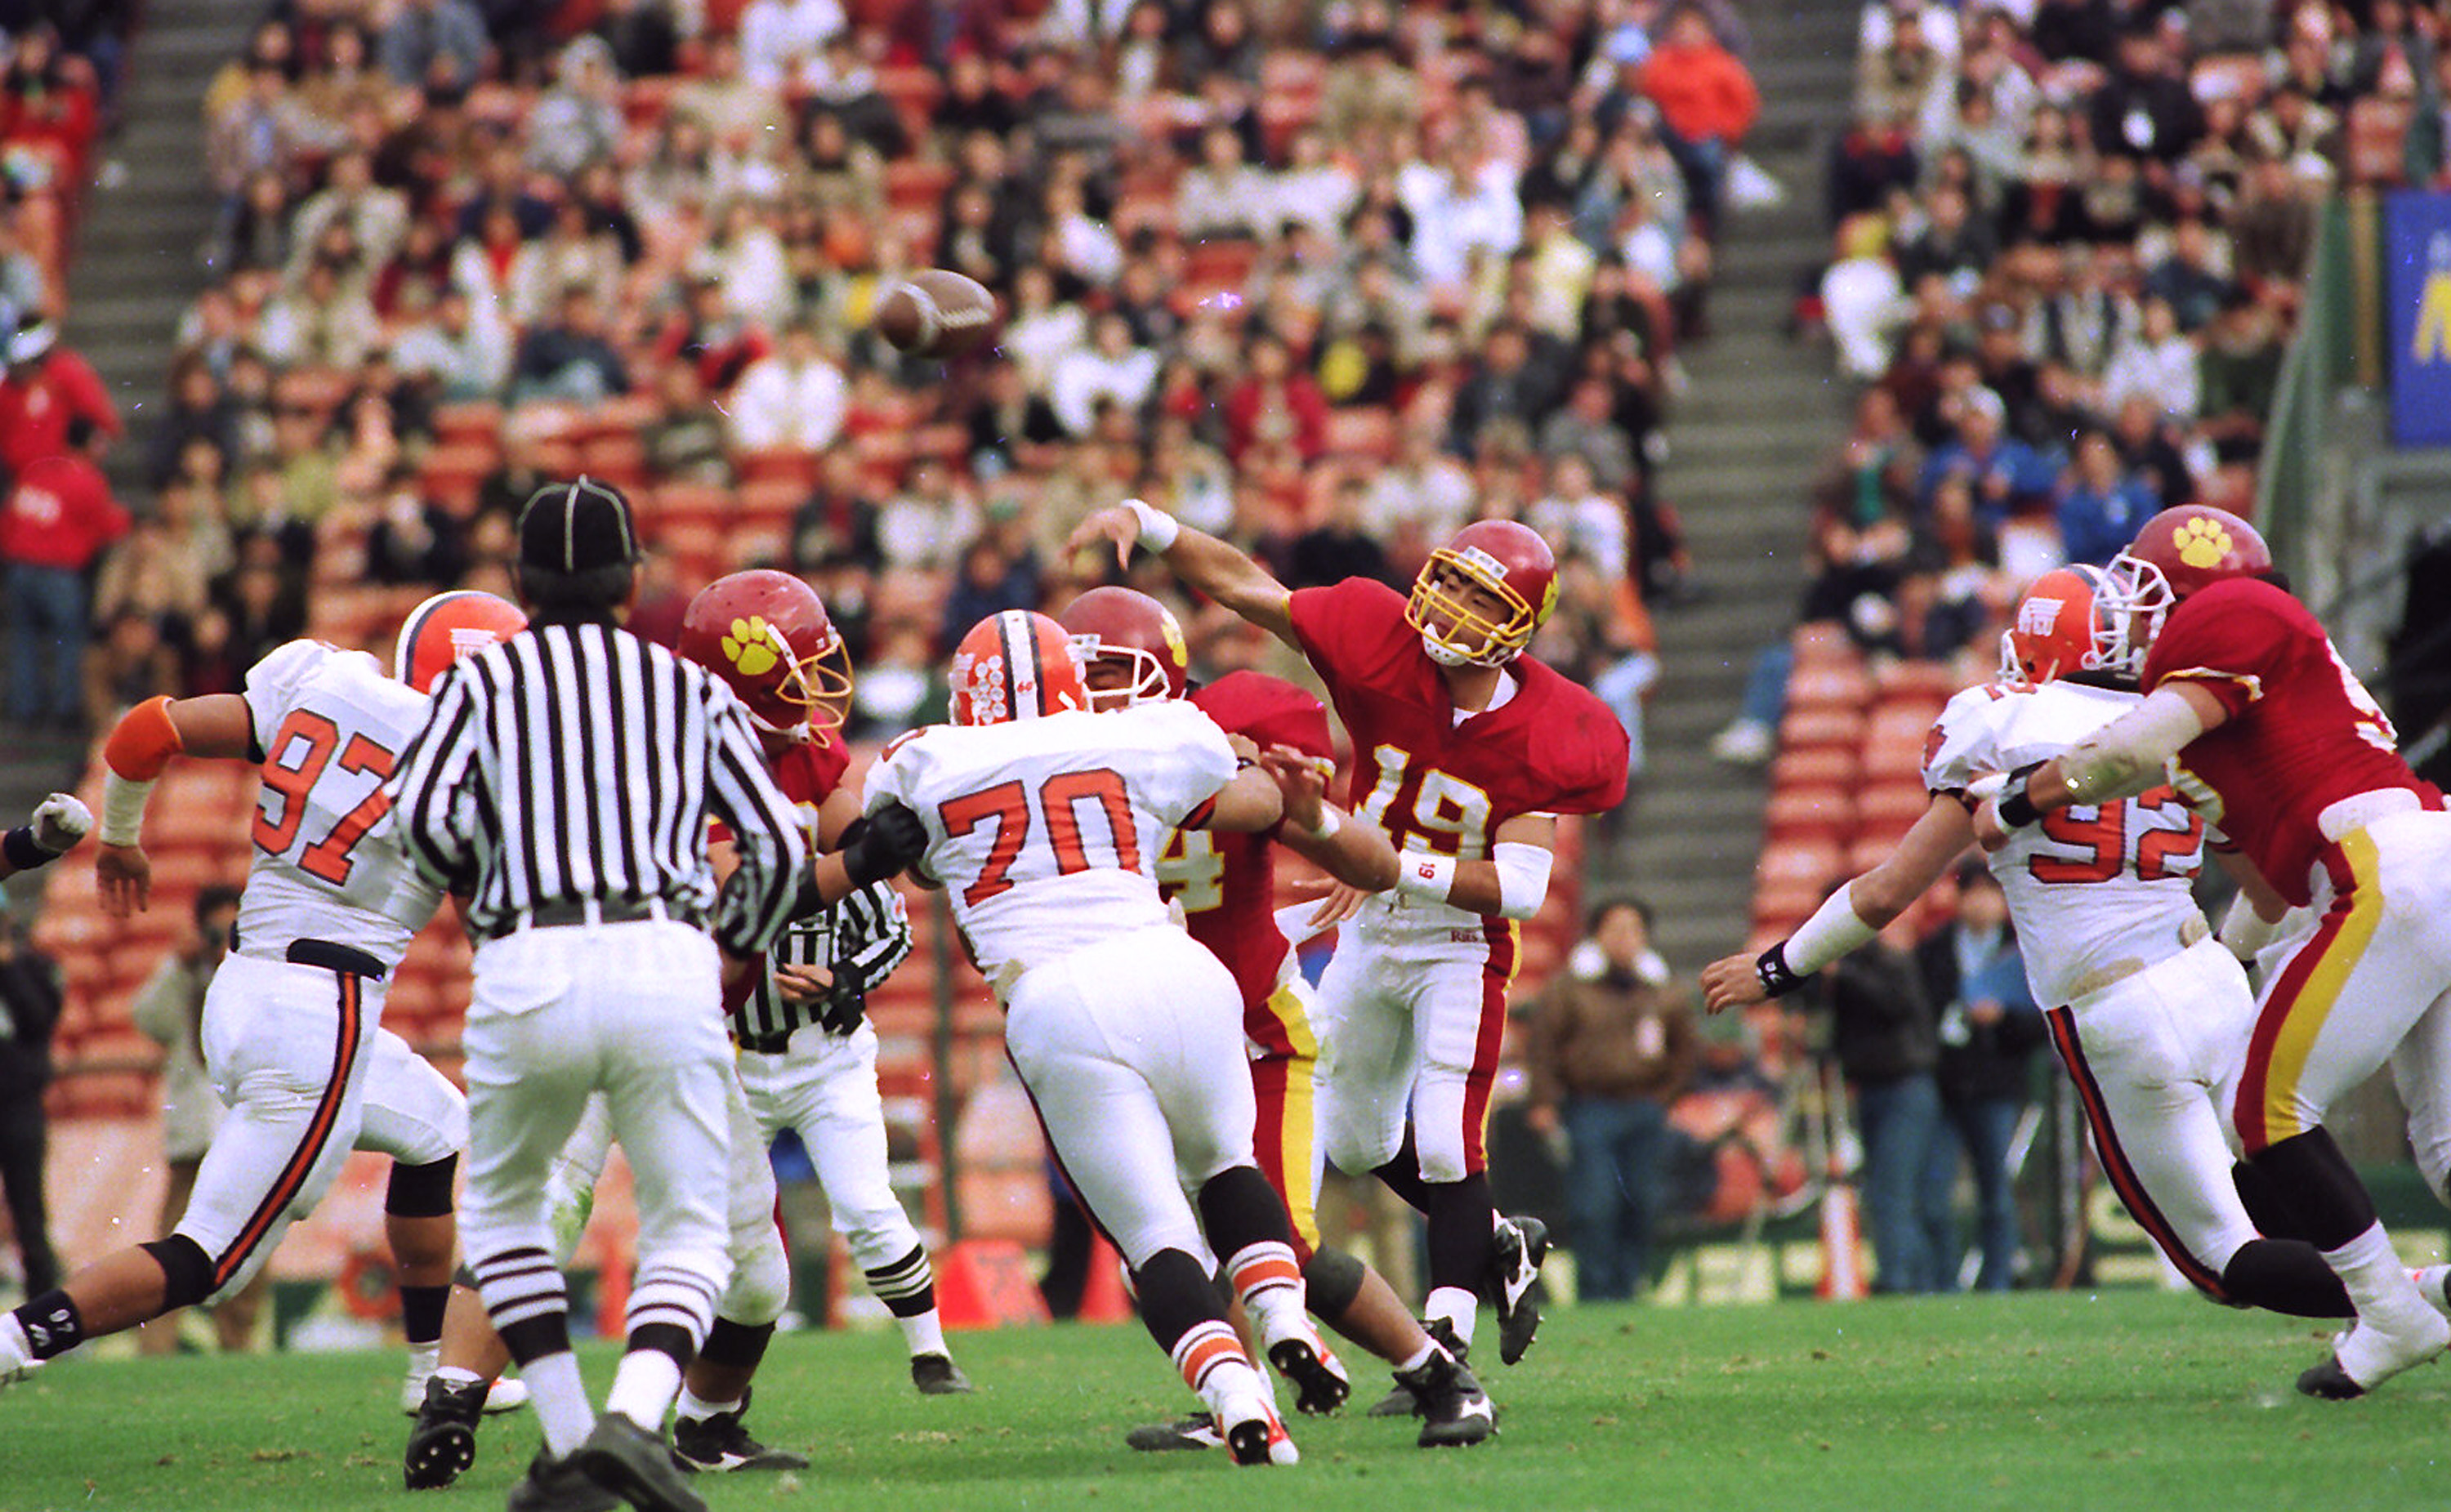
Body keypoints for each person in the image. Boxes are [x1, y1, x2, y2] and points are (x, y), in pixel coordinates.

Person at [1703, 562, 2364, 1329]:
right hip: (2212, 974)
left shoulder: (2003, 724)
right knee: (2273, 1173)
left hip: (2119, 1007)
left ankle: (2422, 1292)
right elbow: (2269, 891)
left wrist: (1777, 967)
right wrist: (2217, 959)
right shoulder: (2173, 723)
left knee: (2222, 1257)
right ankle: (2384, 1322)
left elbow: (1888, 891)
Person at [1067, 502, 1631, 1367]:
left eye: (1480, 603)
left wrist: (1384, 860)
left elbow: (1519, 886)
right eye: (1447, 583)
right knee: (1361, 1139)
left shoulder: (1560, 728)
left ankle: (1447, 1349)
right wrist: (1151, 525)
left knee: (1444, 1136)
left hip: (1460, 938)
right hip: (1373, 923)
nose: (1448, 610)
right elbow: (1244, 585)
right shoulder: (1378, 637)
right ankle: (1497, 1241)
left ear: (1518, 629)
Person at [386, 481, 841, 1512]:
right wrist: (728, 943)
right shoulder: (685, 688)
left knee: (505, 1220)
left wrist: (500, 880)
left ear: (518, 582)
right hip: (663, 957)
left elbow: (420, 825)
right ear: (633, 581)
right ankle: (632, 1423)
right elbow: (772, 841)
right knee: (691, 1231)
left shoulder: (482, 682)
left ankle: (570, 1442)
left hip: (529, 960)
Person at [0, 594, 526, 1409]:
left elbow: (145, 731)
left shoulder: (328, 682)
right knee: (210, 1259)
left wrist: (123, 840)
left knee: (434, 1129)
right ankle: (14, 1340)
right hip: (323, 1014)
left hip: (245, 986)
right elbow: (485, 924)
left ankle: (434, 1376)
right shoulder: (462, 769)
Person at [1974, 506, 2451, 1398]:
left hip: (2386, 867)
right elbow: (2266, 899)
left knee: (2263, 1109)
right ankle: (2395, 1307)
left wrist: (2017, 799)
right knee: (2447, 1147)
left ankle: (2392, 1311)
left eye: (2146, 591)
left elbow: (2133, 750)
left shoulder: (2226, 614)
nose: (2135, 615)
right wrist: (2232, 967)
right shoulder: (2233, 725)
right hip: (2411, 870)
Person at [864, 609, 1346, 1466]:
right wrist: (1238, 756)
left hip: (1060, 998)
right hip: (1179, 967)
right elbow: (1232, 780)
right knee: (1227, 1165)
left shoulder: (922, 758)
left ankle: (1240, 1400)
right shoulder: (1141, 732)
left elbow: (895, 851)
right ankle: (1285, 1318)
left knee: (1157, 1235)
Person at [1059, 587, 1492, 1452]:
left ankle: (1444, 1379)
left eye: (1112, 671)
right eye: (1081, 675)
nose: (1096, 693)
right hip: (1135, 1038)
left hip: (1252, 1028)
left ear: (1166, 672)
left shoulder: (1236, 722)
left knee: (1279, 1242)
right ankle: (1240, 1396)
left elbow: (1320, 834)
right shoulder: (1049, 764)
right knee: (1165, 1246)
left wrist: (1255, 789)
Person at [1520, 898, 1697, 1302]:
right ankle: (1596, 1292)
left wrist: (1664, 1098)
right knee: (1595, 1205)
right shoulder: (1569, 988)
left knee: (1644, 1201)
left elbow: (1686, 1051)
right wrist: (1543, 1101)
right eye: (1615, 929)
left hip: (1645, 1109)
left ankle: (1630, 1285)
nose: (1624, 939)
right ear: (1597, 936)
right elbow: (1543, 1047)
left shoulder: (1663, 991)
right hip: (1590, 1107)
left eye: (1633, 929)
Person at [128, 885, 274, 1354]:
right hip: (194, 1133)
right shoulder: (186, 976)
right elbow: (148, 1019)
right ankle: (159, 1350)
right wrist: (178, 965)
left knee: (250, 1243)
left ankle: (240, 1345)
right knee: (174, 1238)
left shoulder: (262, 973)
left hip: (247, 1131)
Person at [1920, 866, 2042, 1291]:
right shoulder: (1933, 950)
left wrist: (2003, 1018)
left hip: (1996, 1087)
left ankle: (1997, 1282)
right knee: (1935, 1194)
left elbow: (2042, 1024)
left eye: (1990, 893)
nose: (1980, 902)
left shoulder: (2021, 949)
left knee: (1996, 1191)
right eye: (1972, 893)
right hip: (1943, 1086)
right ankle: (1943, 1283)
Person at [0, 899, 65, 1300]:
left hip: (19, 1104)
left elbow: (40, 1019)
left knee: (29, 1214)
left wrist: (7, 968)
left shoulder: (35, 967)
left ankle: (40, 1315)